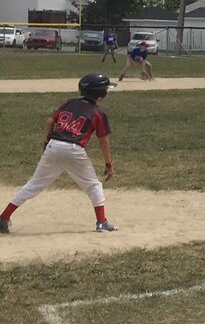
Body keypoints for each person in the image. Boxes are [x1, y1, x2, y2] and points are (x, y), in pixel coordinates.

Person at [1, 73, 118, 234]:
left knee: (33, 185)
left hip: (53, 145)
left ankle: (3, 217)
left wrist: (45, 142)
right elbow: (103, 141)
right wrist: (108, 164)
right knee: (93, 186)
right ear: (100, 93)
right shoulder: (98, 113)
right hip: (74, 150)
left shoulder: (69, 103)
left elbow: (50, 122)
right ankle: (102, 222)